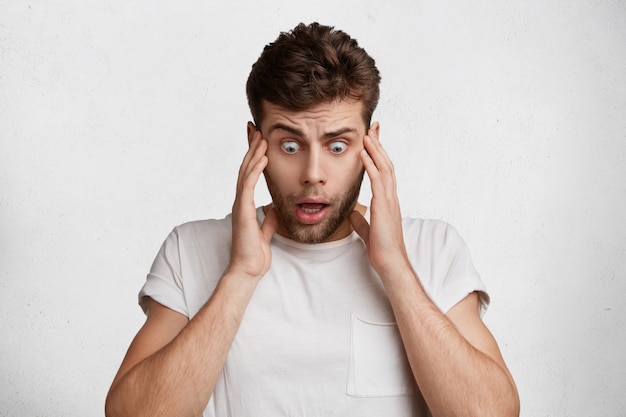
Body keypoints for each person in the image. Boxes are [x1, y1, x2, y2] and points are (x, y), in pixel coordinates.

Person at [105, 22, 520, 417]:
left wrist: (395, 269)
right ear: (256, 143)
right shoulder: (190, 250)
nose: (312, 172)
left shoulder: (434, 248)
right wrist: (241, 276)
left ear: (371, 144)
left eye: (337, 146)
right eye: (289, 145)